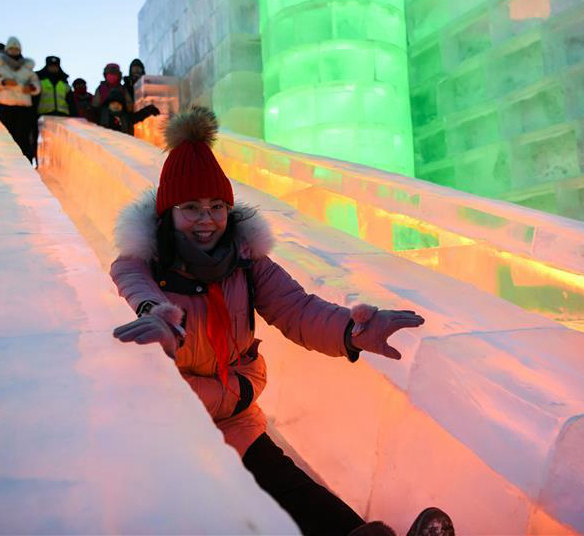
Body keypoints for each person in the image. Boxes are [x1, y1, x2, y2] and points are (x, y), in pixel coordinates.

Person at [109, 106, 454, 536]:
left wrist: (352, 330)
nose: (207, 220)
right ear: (168, 213)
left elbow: (297, 309)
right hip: (176, 428)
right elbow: (134, 288)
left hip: (237, 419)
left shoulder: (247, 262)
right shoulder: (144, 264)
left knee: (302, 498)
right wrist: (157, 319)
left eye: (217, 206)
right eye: (191, 207)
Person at [0, 36, 40, 165]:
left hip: (23, 107)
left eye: (16, 48)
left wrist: (31, 88)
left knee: (22, 137)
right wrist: (3, 82)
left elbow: (37, 86)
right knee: (5, 136)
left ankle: (24, 164)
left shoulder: (27, 68)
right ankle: (3, 163)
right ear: (7, 49)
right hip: (5, 105)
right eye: (11, 48)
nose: (14, 51)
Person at [92, 62, 160, 135]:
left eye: (114, 74)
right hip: (107, 139)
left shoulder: (124, 90)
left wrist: (148, 110)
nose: (112, 76)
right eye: (110, 74)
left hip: (125, 140)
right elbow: (94, 110)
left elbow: (132, 113)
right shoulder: (101, 91)